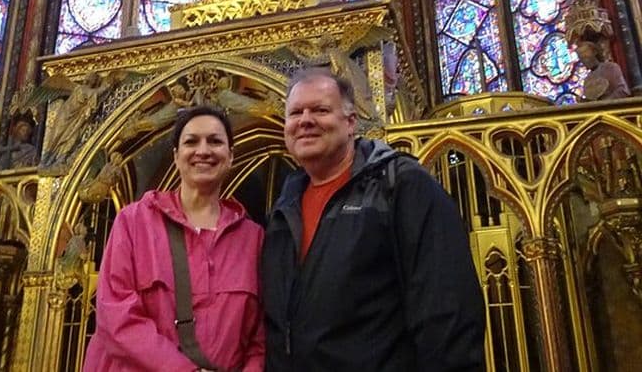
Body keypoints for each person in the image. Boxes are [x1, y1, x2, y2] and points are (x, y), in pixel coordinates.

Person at [262, 68, 485, 371]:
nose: (305, 121)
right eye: (295, 113)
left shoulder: (401, 186)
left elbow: (447, 310)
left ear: (351, 122)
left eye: (321, 110)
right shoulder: (282, 210)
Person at [83, 106, 265, 371]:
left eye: (215, 141)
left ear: (230, 156)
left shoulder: (253, 239)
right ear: (177, 157)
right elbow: (116, 315)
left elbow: (259, 336)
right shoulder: (134, 222)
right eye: (191, 141)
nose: (203, 150)